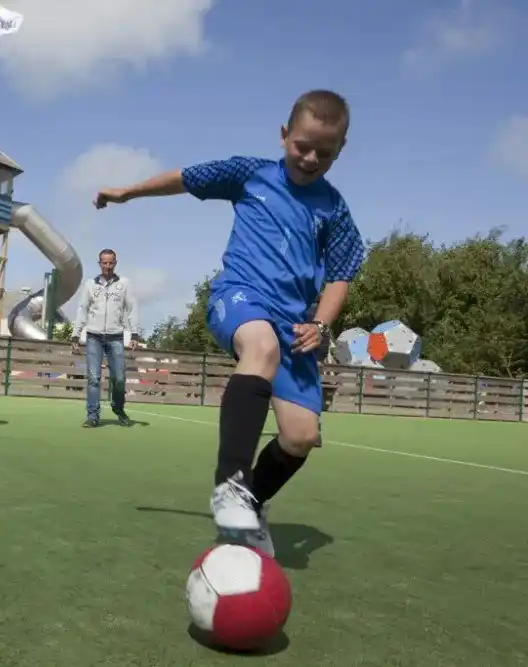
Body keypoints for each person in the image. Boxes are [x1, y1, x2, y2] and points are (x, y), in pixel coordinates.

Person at [92, 90, 365, 556]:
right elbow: (186, 177)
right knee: (261, 346)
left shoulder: (334, 210)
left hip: (296, 327)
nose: (311, 158)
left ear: (340, 150)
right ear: (284, 135)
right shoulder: (250, 174)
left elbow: (341, 275)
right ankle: (231, 485)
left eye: (325, 152)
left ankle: (251, 502)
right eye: (302, 145)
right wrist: (127, 192)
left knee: (301, 436)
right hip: (241, 297)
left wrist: (320, 324)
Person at [71, 249, 138, 428]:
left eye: (111, 263)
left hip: (116, 337)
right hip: (94, 337)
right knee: (94, 378)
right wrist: (76, 334)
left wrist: (134, 333)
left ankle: (118, 407)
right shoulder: (90, 285)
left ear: (115, 263)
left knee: (120, 378)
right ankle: (93, 415)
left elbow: (132, 308)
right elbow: (82, 310)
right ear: (99, 263)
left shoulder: (124, 284)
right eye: (104, 263)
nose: (107, 266)